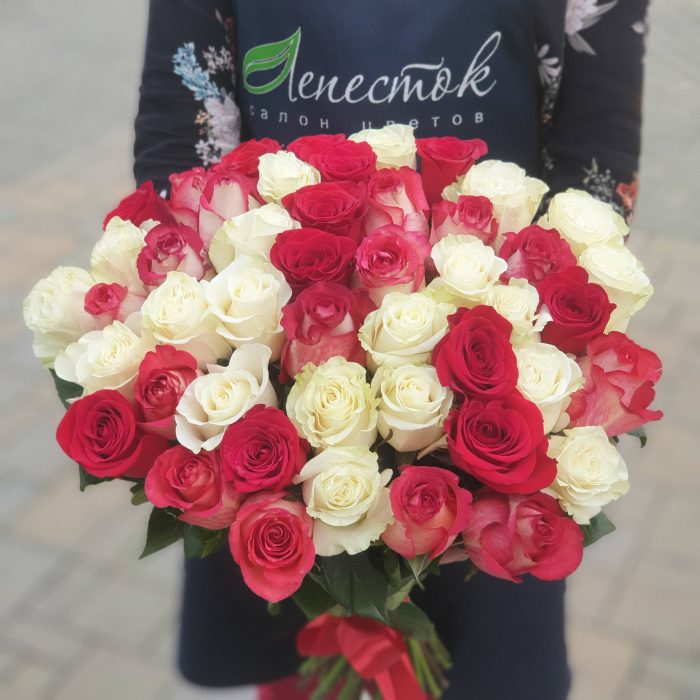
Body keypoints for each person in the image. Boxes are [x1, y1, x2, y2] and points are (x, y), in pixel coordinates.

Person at [133, 2, 649, 698]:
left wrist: (544, 341)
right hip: (270, 368)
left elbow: (596, 144)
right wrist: (221, 333)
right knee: (299, 630)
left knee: (480, 650)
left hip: (495, 376)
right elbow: (183, 123)